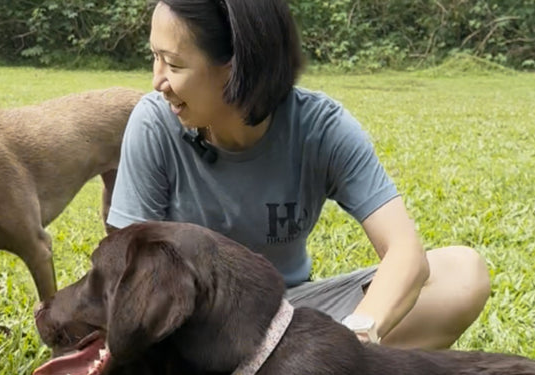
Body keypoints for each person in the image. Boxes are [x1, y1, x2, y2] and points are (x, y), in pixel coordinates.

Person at [106, 0, 490, 349]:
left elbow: (405, 252)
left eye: (173, 65)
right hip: (195, 331)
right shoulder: (154, 124)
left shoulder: (320, 128)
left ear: (236, 66)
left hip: (291, 322)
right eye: (155, 58)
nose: (157, 81)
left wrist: (355, 337)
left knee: (460, 273)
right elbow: (127, 277)